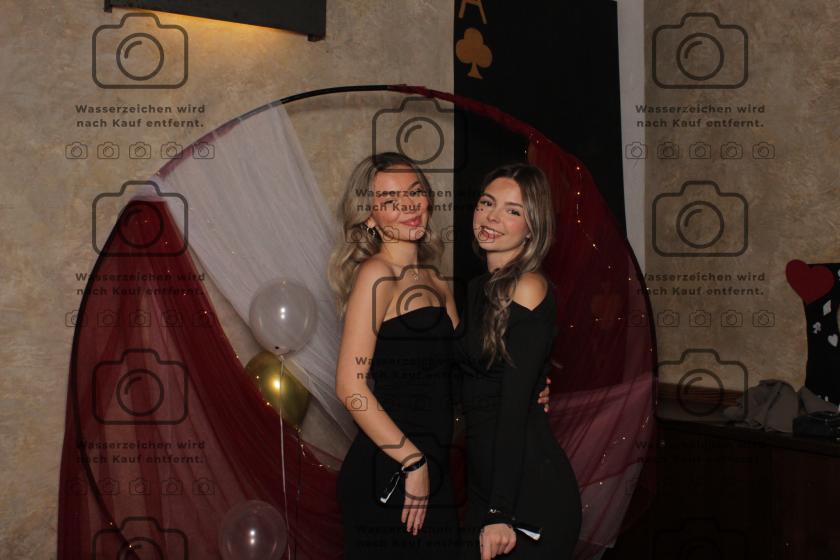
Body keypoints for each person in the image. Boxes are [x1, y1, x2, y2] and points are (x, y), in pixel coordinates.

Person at [329, 153, 551, 559]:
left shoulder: (437, 282)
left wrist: (531, 381)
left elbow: (464, 372)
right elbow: (349, 386)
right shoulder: (376, 274)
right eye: (390, 199)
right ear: (370, 217)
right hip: (392, 468)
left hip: (436, 470)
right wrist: (411, 460)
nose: (409, 205)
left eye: (415, 192)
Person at [455, 163, 582, 559]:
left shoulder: (527, 287)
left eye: (512, 210)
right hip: (487, 484)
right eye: (487, 203)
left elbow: (512, 410)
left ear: (532, 228)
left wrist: (499, 512)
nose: (492, 217)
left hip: (525, 493)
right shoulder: (478, 288)